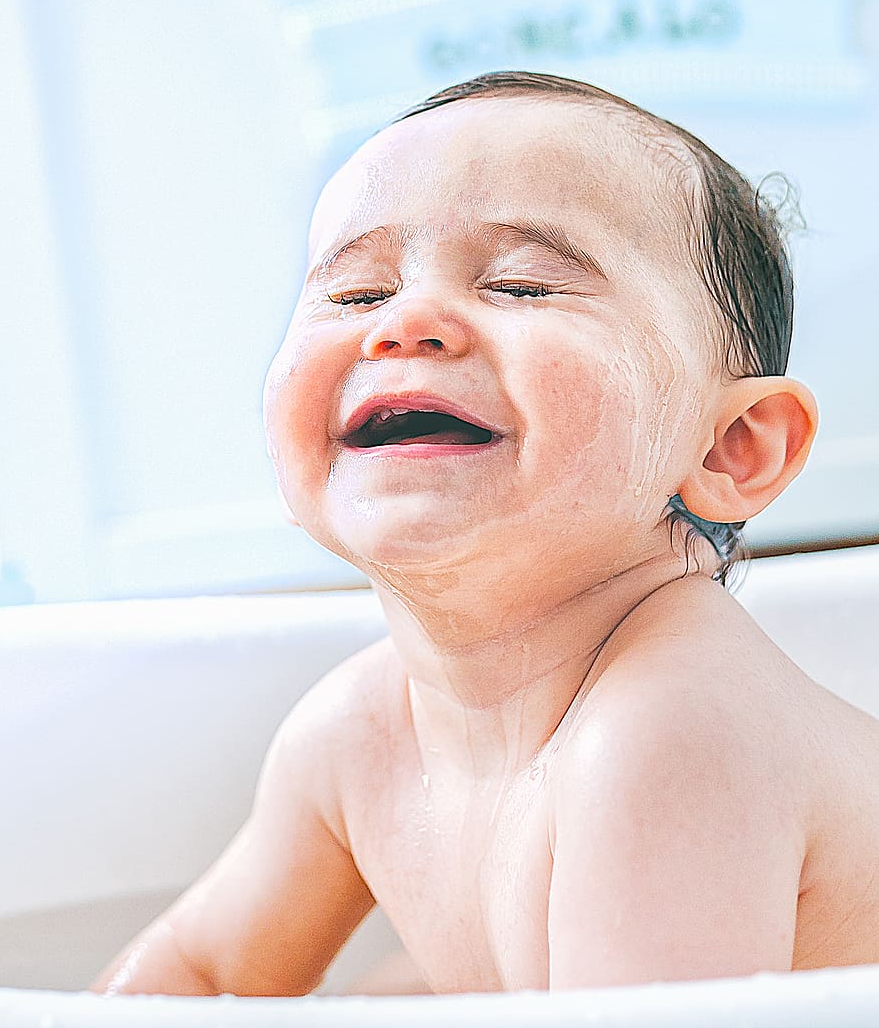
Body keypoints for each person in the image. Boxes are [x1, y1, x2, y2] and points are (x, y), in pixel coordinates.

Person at [90, 71, 879, 997]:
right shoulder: (359, 736)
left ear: (729, 448)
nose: (406, 323)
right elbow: (198, 972)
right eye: (352, 294)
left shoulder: (671, 733)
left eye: (521, 284)